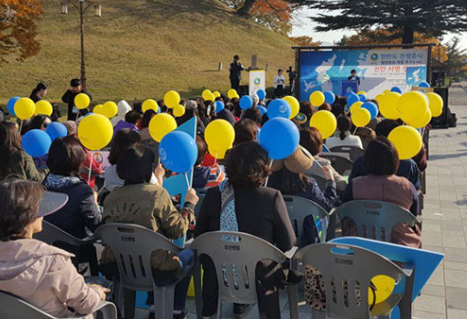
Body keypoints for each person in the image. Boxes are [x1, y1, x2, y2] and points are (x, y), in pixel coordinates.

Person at [0, 179, 108, 318]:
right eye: (39, 207)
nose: (43, 213)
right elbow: (85, 303)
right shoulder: (52, 260)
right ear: (27, 217)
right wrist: (96, 292)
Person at [195, 142, 296, 318]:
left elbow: (199, 237)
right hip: (260, 279)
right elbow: (288, 244)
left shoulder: (214, 195)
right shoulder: (271, 197)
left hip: (218, 276)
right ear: (262, 168)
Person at [101, 144, 198, 319]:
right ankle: (175, 310)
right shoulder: (157, 195)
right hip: (156, 269)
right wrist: (189, 206)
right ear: (148, 169)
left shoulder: (110, 198)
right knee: (191, 253)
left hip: (119, 266)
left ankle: (154, 307)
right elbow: (178, 230)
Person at [342, 137, 421, 247]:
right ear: (395, 160)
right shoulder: (407, 186)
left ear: (367, 160)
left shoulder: (354, 185)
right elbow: (414, 214)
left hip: (360, 245)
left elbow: (345, 211)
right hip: (400, 248)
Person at [43, 137, 102, 257]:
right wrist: (95, 202)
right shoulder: (81, 191)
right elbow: (97, 226)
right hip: (74, 253)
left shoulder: (42, 185)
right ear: (77, 160)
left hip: (45, 250)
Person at [349, 120, 421, 190]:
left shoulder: (361, 161)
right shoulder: (409, 165)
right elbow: (414, 190)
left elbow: (351, 185)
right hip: (398, 201)